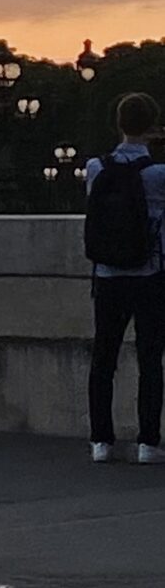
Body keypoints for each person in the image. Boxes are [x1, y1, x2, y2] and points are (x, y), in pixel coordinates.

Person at [81, 91, 165, 462]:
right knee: (150, 358)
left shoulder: (96, 169)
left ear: (118, 123)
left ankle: (101, 440)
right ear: (152, 128)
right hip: (149, 274)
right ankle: (148, 441)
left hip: (108, 273)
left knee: (104, 357)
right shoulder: (158, 175)